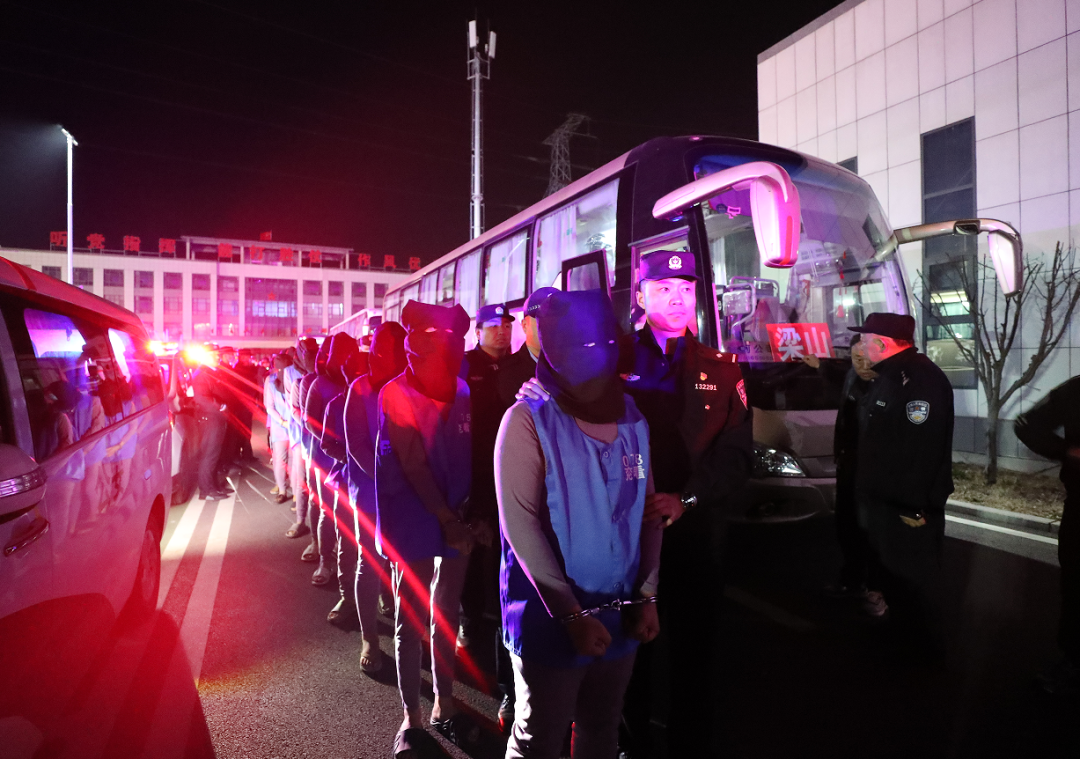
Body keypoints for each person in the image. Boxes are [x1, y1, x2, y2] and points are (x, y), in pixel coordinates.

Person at [497, 288, 662, 759]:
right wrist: (570, 615)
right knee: (539, 737)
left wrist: (647, 595)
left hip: (620, 613)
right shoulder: (526, 419)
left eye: (601, 342)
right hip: (549, 619)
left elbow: (648, 511)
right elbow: (520, 525)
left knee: (601, 728)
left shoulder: (632, 417)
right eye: (577, 343)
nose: (592, 354)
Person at [376, 301, 476, 759]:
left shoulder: (462, 389)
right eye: (431, 337)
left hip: (456, 513)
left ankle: (443, 700)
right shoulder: (395, 393)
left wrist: (468, 515)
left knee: (447, 610)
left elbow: (468, 452)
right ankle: (411, 716)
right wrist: (449, 519)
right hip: (414, 513)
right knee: (411, 615)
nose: (442, 347)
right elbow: (414, 464)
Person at [851, 312, 954, 652]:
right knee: (894, 577)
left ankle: (920, 649)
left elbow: (921, 449)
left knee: (914, 578)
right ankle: (902, 637)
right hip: (887, 500)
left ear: (882, 344)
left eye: (865, 340)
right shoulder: (890, 375)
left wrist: (914, 506)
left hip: (906, 504)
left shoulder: (919, 379)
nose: (861, 346)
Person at [344, 321, 409, 673]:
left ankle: (405, 633)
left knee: (404, 565)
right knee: (368, 564)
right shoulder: (360, 388)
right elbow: (355, 444)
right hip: (370, 493)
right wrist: (385, 477)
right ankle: (369, 637)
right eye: (385, 350)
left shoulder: (409, 385)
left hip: (406, 492)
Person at [1015, 375, 1080, 696]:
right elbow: (1026, 425)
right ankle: (1074, 661)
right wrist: (1067, 451)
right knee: (1076, 587)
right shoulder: (1075, 390)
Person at [459, 302, 514, 646]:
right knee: (475, 545)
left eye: (506, 325)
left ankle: (502, 612)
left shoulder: (518, 365)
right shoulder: (466, 365)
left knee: (508, 543)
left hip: (512, 466)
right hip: (476, 467)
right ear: (478, 332)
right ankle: (470, 615)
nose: (501, 332)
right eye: (493, 326)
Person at [814, 336, 879, 609]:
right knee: (847, 527)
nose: (861, 364)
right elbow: (836, 375)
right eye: (856, 358)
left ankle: (875, 590)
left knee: (869, 532)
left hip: (871, 471)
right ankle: (852, 581)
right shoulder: (852, 376)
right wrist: (818, 365)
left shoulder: (886, 385)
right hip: (848, 465)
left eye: (866, 358)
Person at [304, 334, 358, 587]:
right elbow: (309, 420)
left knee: (355, 515)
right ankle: (326, 562)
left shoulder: (359, 379)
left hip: (356, 460)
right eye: (340, 354)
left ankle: (352, 566)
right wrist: (334, 444)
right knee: (328, 511)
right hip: (326, 458)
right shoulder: (320, 383)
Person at [497, 288, 557, 409]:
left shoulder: (578, 364)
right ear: (525, 326)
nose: (550, 325)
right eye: (541, 319)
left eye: (556, 318)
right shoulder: (506, 373)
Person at [285, 338, 316, 540]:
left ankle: (322, 535)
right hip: (302, 436)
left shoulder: (326, 376)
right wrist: (310, 426)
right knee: (303, 482)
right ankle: (300, 521)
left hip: (322, 441)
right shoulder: (292, 375)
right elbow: (294, 408)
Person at [191, 355, 232, 500]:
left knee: (215, 455)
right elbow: (202, 398)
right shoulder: (202, 374)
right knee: (209, 454)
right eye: (214, 355)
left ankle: (214, 486)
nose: (218, 357)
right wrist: (219, 405)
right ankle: (206, 490)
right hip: (210, 419)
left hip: (216, 418)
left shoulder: (211, 372)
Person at [264, 353, 293, 504]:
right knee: (280, 461)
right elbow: (269, 406)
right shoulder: (270, 381)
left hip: (293, 427)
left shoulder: (295, 379)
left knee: (293, 462)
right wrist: (282, 422)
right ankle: (282, 490)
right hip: (280, 427)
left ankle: (296, 492)